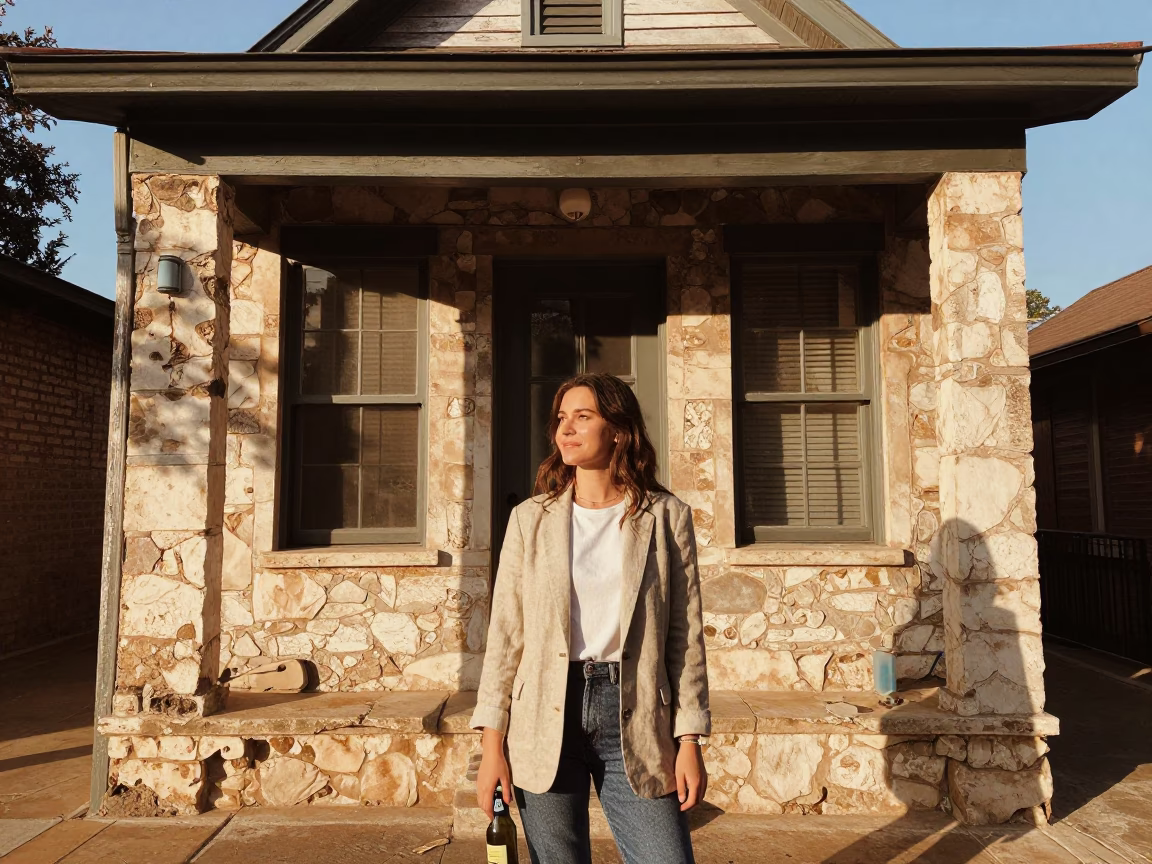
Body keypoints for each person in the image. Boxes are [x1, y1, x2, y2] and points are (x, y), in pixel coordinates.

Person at [471, 372, 710, 864]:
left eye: (583, 417)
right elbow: (506, 636)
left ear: (619, 430)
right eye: (562, 418)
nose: (566, 429)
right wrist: (492, 745)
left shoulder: (667, 517)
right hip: (545, 711)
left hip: (636, 708)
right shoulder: (530, 519)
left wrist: (689, 739)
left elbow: (684, 638)